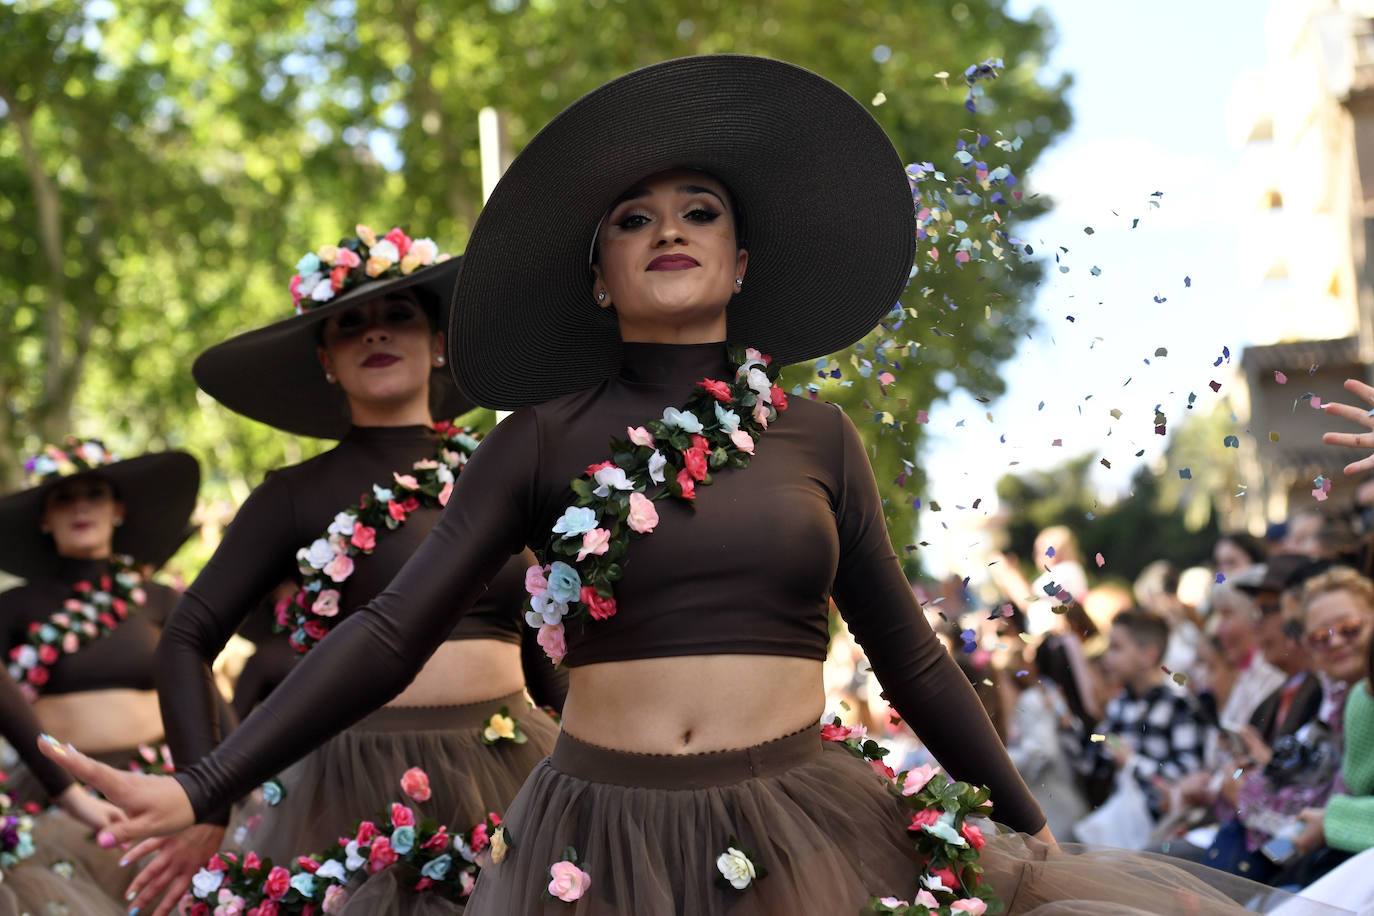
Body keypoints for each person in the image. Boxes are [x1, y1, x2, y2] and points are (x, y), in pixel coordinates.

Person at [42, 56, 1343, 916]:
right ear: (598, 277)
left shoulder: (817, 434)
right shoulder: (537, 438)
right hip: (590, 840)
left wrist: (1020, 821)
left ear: (738, 262)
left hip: (804, 827)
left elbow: (911, 659)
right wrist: (207, 788)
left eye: (699, 206)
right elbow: (390, 630)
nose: (665, 225)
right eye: (629, 217)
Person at [119, 225, 565, 916]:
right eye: (349, 324)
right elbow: (184, 638)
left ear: (439, 342)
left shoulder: (503, 468)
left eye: (399, 316)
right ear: (326, 358)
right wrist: (204, 797)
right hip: (349, 789)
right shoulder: (291, 496)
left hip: (514, 764)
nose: (375, 334)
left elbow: (548, 639)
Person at [0, 437, 199, 913]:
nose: (80, 508)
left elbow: (204, 697)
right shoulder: (15, 606)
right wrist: (69, 793)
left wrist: (232, 783)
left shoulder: (159, 600)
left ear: (119, 509)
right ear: (44, 519)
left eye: (95, 494)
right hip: (56, 800)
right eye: (63, 498)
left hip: (162, 788)